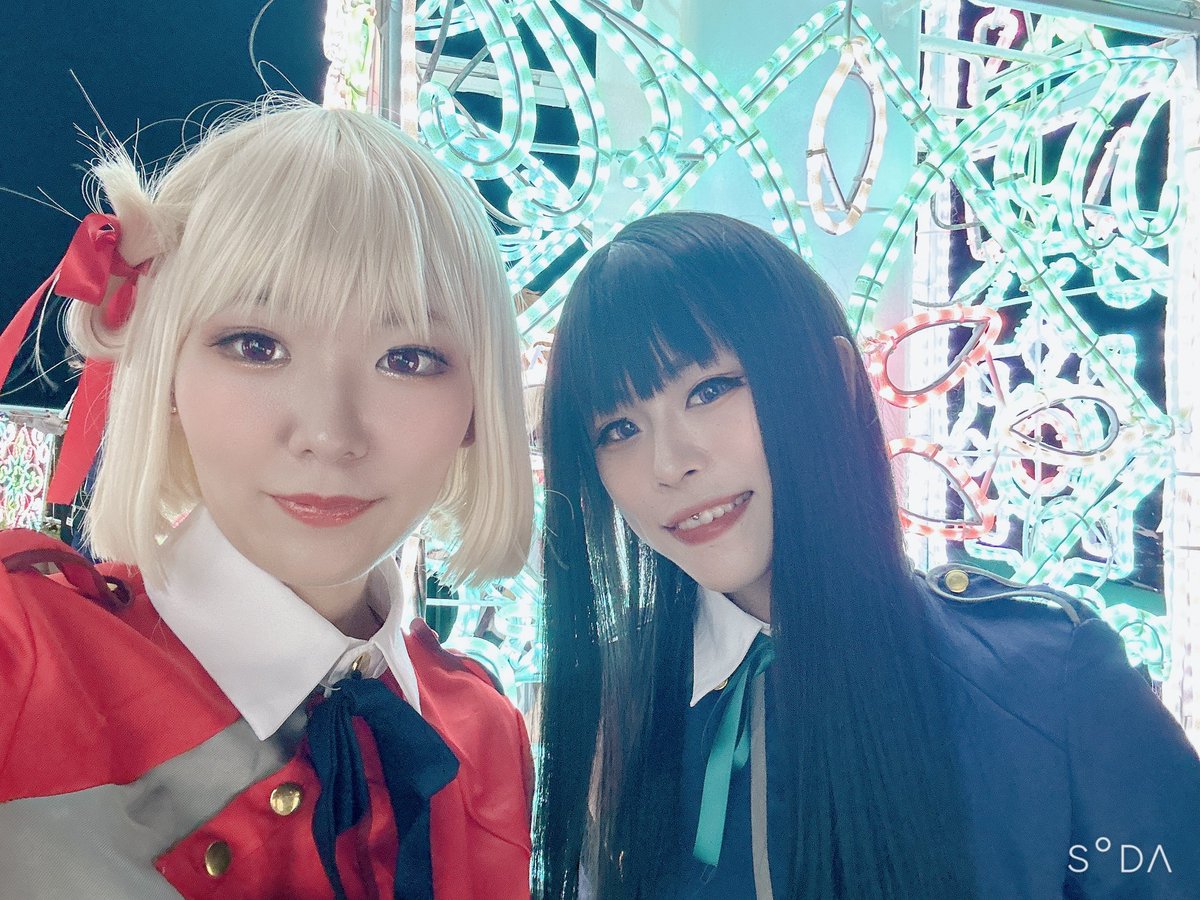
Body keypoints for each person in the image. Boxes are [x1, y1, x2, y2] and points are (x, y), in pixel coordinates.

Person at [534, 211, 1200, 899]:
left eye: (709, 389)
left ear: (834, 379)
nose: (669, 464)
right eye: (619, 428)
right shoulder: (620, 717)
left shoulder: (1049, 679)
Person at [0, 98, 535, 899]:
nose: (329, 433)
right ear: (168, 374)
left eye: (409, 358)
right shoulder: (22, 657)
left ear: (477, 407)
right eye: (257, 345)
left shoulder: (484, 729)